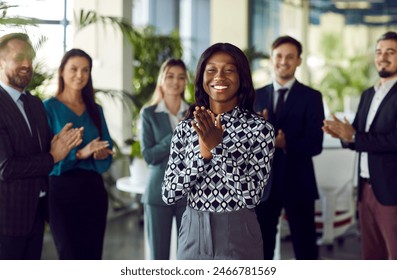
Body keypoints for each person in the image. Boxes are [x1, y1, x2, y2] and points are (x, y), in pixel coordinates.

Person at [162, 42, 275, 260]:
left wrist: (217, 148)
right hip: (192, 231)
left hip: (239, 230)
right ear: (201, 77)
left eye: (229, 70)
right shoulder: (186, 128)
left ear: (242, 77)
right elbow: (168, 194)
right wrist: (202, 156)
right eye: (211, 70)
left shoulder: (260, 128)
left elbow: (251, 196)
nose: (219, 76)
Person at [0, 33, 82, 259]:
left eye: (30, 58)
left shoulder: (35, 103)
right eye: (19, 58)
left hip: (36, 215)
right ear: (1, 61)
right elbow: (6, 167)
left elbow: (46, 151)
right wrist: (53, 156)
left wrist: (60, 144)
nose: (27, 64)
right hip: (7, 222)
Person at [323, 31, 397, 260]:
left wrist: (354, 136)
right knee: (371, 257)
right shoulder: (367, 94)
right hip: (365, 189)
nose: (382, 57)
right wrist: (342, 135)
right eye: (379, 52)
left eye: (390, 52)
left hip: (391, 190)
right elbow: (358, 137)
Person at [254, 35, 324, 260]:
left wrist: (287, 144)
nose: (284, 61)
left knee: (305, 249)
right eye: (279, 56)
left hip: (299, 183)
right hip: (264, 185)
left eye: (290, 57)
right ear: (271, 59)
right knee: (261, 248)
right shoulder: (254, 97)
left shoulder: (312, 97)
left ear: (299, 61)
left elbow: (315, 145)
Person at [43, 48, 113, 260]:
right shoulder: (48, 108)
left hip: (93, 191)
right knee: (70, 257)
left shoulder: (95, 110)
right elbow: (45, 159)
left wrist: (101, 155)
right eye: (74, 69)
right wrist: (79, 154)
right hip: (61, 192)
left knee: (92, 257)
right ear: (62, 71)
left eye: (85, 70)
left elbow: (107, 150)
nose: (79, 75)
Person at [139, 58, 189, 260]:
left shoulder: (194, 112)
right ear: (162, 79)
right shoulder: (148, 114)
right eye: (170, 76)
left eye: (181, 77)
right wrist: (176, 134)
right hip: (157, 192)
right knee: (158, 257)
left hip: (188, 192)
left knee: (188, 254)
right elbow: (149, 155)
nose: (175, 82)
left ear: (186, 82)